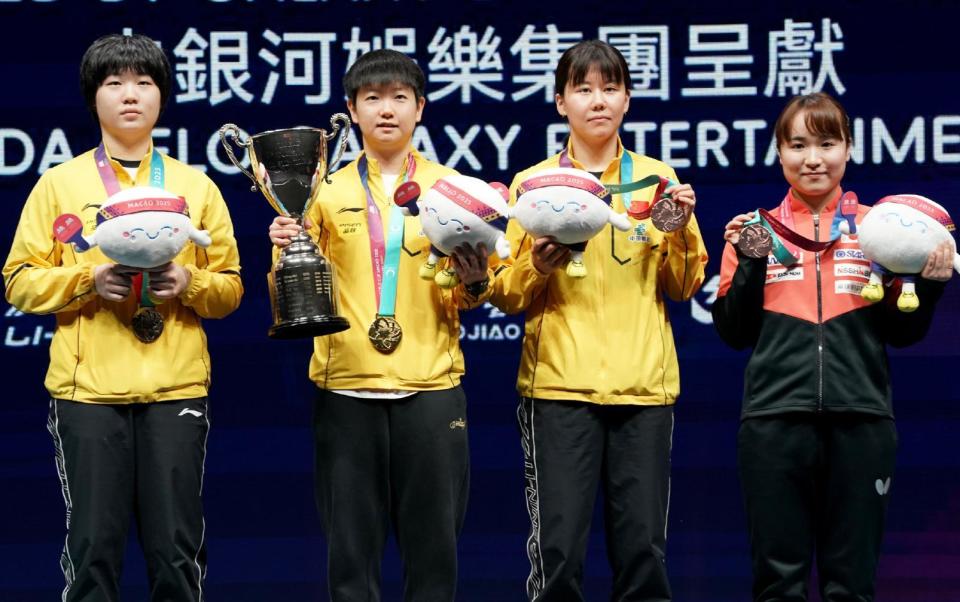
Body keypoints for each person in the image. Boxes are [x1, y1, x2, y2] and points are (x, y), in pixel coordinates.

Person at [2, 33, 243, 600]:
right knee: (92, 553)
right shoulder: (59, 184)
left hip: (175, 389)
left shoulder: (195, 186)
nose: (130, 95)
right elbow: (18, 281)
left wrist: (189, 283)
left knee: (177, 554)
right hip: (87, 393)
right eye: (114, 83)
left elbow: (230, 289)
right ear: (94, 98)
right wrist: (86, 281)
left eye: (144, 82)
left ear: (162, 97)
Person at [712, 92, 954, 601]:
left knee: (852, 585)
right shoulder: (753, 229)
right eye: (798, 145)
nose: (813, 159)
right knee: (778, 585)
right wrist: (752, 257)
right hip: (773, 420)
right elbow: (733, 333)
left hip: (862, 421)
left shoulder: (883, 230)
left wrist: (929, 288)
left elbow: (903, 333)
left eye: (827, 143)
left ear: (848, 149)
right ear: (779, 152)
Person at [267, 49, 490, 601]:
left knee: (434, 558)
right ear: (352, 110)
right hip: (346, 389)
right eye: (372, 98)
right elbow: (295, 293)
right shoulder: (321, 191)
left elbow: (477, 293)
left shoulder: (454, 190)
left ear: (420, 108)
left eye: (399, 98)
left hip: (430, 388)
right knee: (350, 560)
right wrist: (286, 248)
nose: (386, 109)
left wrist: (476, 280)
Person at [489, 40, 708, 601]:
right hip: (558, 390)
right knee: (558, 553)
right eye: (583, 89)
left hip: (643, 389)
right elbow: (505, 293)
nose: (598, 101)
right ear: (560, 101)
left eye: (610, 88)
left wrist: (681, 230)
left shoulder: (658, 180)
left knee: (643, 555)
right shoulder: (531, 185)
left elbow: (684, 285)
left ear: (627, 100)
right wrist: (538, 266)